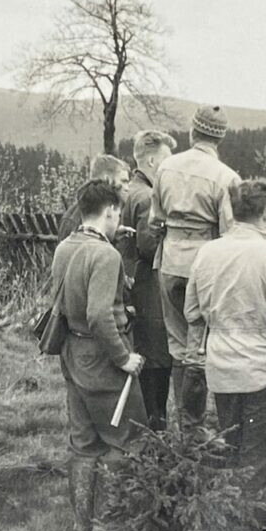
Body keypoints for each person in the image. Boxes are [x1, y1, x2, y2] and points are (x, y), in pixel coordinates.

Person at [184, 180, 266, 531]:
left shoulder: (208, 253)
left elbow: (192, 310)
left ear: (232, 212)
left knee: (231, 451)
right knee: (260, 463)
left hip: (221, 369)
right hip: (263, 372)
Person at [51, 179, 147, 531]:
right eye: (117, 212)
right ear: (110, 211)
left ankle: (81, 528)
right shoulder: (107, 256)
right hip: (103, 357)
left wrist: (111, 238)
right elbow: (99, 314)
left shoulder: (65, 247)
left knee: (84, 443)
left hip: (72, 353)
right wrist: (123, 359)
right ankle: (111, 527)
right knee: (125, 440)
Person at [150, 104, 241, 438]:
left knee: (177, 346)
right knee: (200, 345)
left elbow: (154, 221)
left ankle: (185, 428)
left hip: (170, 261)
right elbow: (231, 233)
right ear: (220, 137)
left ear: (192, 131)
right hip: (205, 266)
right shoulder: (227, 177)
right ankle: (196, 430)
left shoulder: (165, 167)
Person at [115, 130, 177, 431]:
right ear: (152, 160)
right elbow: (149, 245)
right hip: (150, 293)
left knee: (147, 364)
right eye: (166, 159)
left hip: (134, 291)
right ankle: (155, 436)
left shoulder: (130, 191)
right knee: (157, 366)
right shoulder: (146, 197)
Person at [57, 154, 132, 242]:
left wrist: (113, 234)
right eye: (123, 181)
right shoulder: (75, 219)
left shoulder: (111, 211)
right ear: (107, 180)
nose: (127, 188)